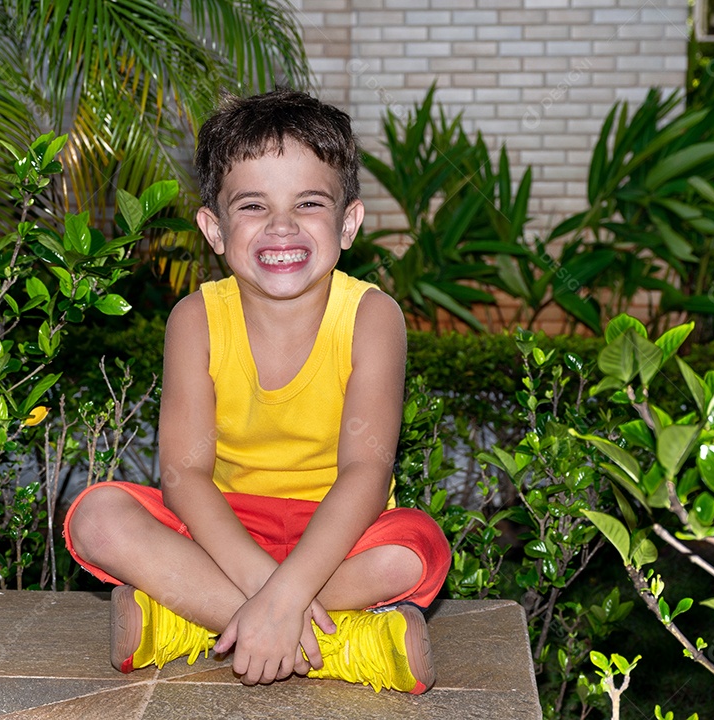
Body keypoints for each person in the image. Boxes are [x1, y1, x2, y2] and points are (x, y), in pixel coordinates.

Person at [64, 88, 451, 694]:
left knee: (412, 551)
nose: (281, 226)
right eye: (252, 206)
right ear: (214, 229)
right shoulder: (195, 320)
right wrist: (268, 588)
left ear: (348, 223)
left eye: (308, 203)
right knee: (97, 519)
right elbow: (185, 475)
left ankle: (184, 620)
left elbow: (365, 475)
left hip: (339, 534)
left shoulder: (372, 318)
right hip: (225, 525)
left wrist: (289, 590)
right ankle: (342, 643)